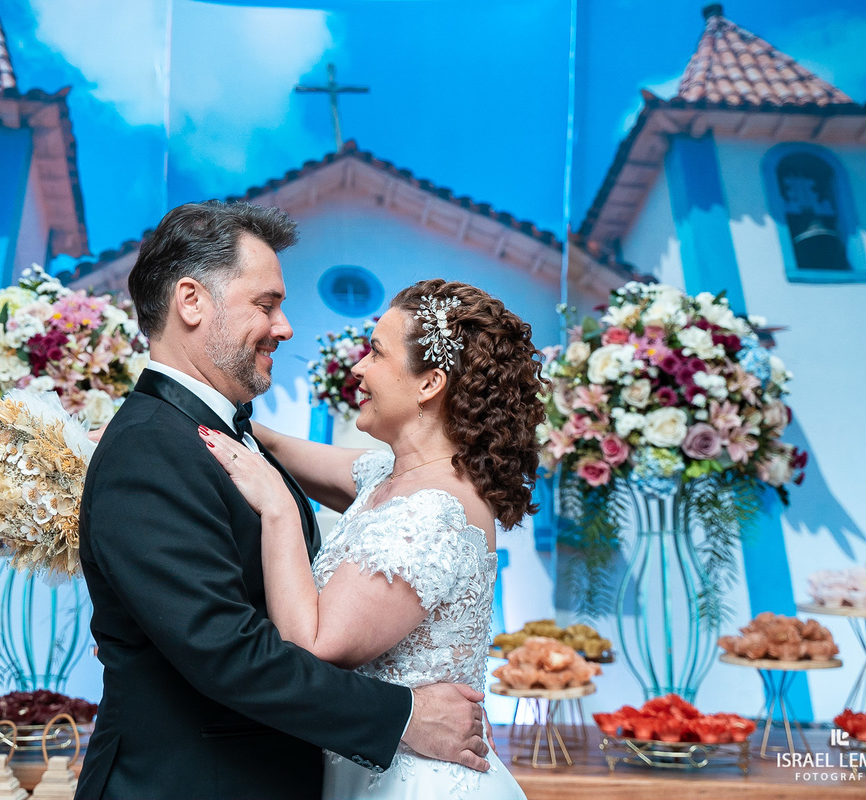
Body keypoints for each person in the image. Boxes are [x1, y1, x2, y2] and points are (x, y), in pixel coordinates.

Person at [76, 203, 491, 800]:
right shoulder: (151, 447)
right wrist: (403, 716)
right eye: (266, 304)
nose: (286, 327)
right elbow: (227, 651)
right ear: (191, 301)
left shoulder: (217, 436)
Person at [199, 279, 544, 799]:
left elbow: (314, 646)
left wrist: (278, 509)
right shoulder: (391, 476)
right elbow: (280, 450)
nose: (358, 368)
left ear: (430, 383)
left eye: (377, 353)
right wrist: (195, 415)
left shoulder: (432, 510)